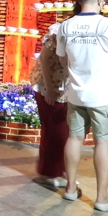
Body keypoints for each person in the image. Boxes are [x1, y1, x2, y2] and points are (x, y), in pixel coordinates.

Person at [56, 0, 108, 212]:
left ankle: (70, 189)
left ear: (79, 0)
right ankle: (101, 198)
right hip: (103, 95)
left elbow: (62, 59)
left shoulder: (65, 26)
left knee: (74, 138)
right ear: (101, 1)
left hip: (76, 94)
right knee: (102, 141)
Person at [30, 23, 69, 188]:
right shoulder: (58, 31)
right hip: (49, 87)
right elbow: (44, 58)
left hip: (66, 88)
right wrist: (50, 89)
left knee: (65, 132)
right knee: (54, 131)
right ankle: (48, 173)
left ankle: (61, 170)